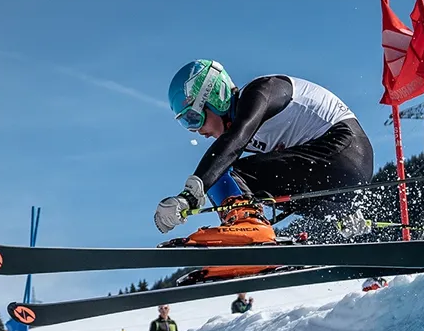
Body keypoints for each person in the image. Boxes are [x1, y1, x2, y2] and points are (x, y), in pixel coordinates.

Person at [154, 59, 374, 244]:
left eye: (194, 118)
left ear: (215, 98)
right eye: (186, 123)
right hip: (345, 167)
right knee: (258, 190)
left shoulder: (260, 91)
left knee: (224, 172)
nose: (196, 130)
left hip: (344, 146)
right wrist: (337, 210)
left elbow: (233, 143)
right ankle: (339, 212)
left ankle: (247, 229)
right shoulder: (248, 127)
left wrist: (189, 195)